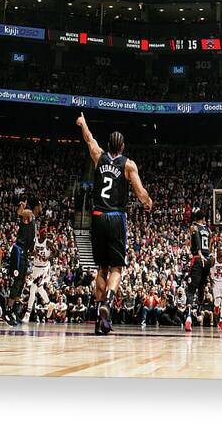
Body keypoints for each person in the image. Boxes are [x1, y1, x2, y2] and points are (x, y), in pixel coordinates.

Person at [76, 111, 152, 335]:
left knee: (101, 268)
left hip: (97, 217)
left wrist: (83, 122)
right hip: (116, 217)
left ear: (108, 145)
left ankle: (101, 319)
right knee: (117, 268)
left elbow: (89, 138)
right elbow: (140, 193)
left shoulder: (98, 155)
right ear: (122, 147)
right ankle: (107, 303)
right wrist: (148, 202)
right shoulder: (129, 165)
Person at [5, 198, 42, 325]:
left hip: (25, 253)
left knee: (21, 284)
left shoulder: (34, 220)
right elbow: (20, 213)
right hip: (18, 251)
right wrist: (22, 206)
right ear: (37, 206)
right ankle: (8, 311)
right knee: (17, 282)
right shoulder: (29, 214)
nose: (42, 208)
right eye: (41, 206)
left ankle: (14, 309)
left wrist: (33, 251)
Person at [21, 228, 56, 323]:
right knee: (39, 289)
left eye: (46, 232)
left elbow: (56, 252)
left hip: (44, 269)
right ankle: (49, 305)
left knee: (33, 288)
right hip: (36, 268)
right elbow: (29, 253)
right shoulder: (35, 241)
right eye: (44, 232)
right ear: (40, 233)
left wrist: (48, 258)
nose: (46, 233)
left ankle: (27, 314)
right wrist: (34, 253)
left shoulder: (48, 242)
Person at [185, 208, 211, 332]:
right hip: (207, 259)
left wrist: (199, 252)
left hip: (198, 258)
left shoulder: (194, 227)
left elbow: (195, 239)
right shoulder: (208, 230)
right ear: (204, 219)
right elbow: (209, 246)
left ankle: (189, 316)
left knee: (191, 289)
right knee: (201, 286)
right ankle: (199, 312)